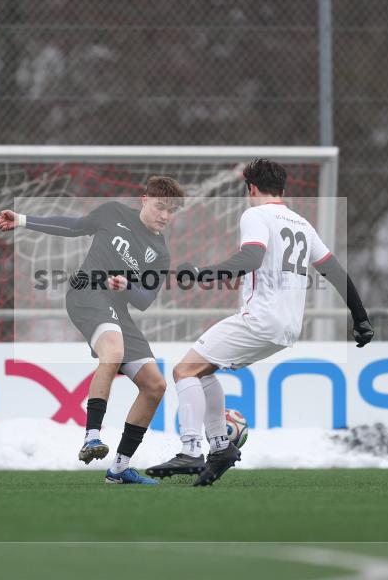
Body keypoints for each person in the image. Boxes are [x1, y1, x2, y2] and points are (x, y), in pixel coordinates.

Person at [146, 159, 375, 486]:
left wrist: (202, 274)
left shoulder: (255, 214)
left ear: (251, 188)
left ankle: (191, 450)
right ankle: (221, 448)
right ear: (282, 188)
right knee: (202, 371)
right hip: (288, 328)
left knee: (183, 371)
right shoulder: (302, 225)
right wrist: (361, 318)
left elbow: (251, 258)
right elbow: (335, 272)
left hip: (260, 319)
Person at [0, 177, 184, 485]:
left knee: (155, 385)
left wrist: (128, 285)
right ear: (144, 199)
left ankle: (119, 469)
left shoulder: (160, 252)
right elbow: (73, 226)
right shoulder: (113, 213)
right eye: (161, 207)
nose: (165, 216)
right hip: (87, 293)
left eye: (171, 211)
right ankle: (92, 437)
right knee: (114, 351)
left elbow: (145, 300)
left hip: (117, 308)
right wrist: (23, 220)